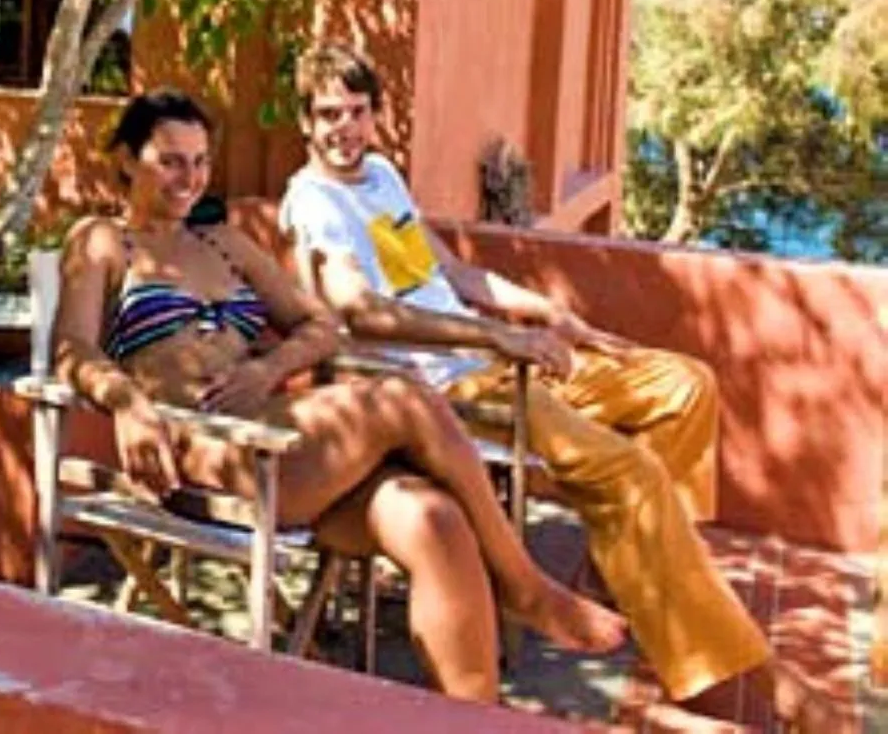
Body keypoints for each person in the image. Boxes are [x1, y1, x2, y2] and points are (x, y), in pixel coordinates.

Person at [279, 42, 852, 733]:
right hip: (442, 389)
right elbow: (359, 310)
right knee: (631, 471)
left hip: (498, 358)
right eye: (327, 114)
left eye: (356, 110)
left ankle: (629, 576)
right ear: (305, 122)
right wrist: (494, 338)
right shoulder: (313, 201)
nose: (343, 127)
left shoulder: (378, 177)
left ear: (375, 114)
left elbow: (450, 276)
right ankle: (759, 677)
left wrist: (549, 313)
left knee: (681, 384)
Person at [54, 88, 626, 702]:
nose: (188, 178)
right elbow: (73, 349)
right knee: (401, 399)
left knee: (436, 521)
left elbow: (320, 325)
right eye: (170, 160)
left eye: (199, 161)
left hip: (287, 444)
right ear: (123, 160)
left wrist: (269, 367)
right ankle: (524, 584)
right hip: (208, 452)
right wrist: (126, 402)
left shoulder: (225, 243)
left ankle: (474, 716)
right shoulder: (103, 242)